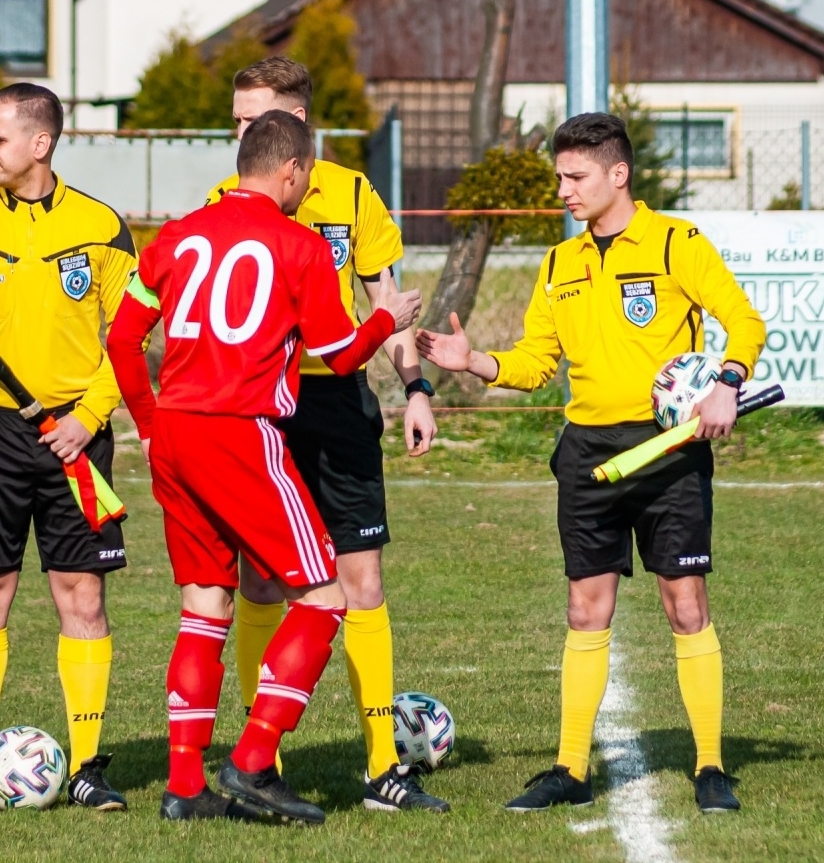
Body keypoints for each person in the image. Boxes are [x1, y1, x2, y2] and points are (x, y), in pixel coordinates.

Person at [417, 112, 766, 814]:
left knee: (685, 602)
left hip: (668, 450)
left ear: (618, 173)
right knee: (585, 607)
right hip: (587, 453)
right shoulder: (560, 263)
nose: (564, 190)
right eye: (559, 177)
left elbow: (745, 320)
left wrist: (728, 379)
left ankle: (709, 766)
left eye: (575, 177)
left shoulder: (676, 242)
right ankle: (569, 768)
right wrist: (475, 361)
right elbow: (537, 362)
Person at [106, 110, 425, 825]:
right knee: (324, 596)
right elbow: (340, 355)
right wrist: (388, 317)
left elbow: (123, 339)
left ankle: (185, 783)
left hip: (178, 433)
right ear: (291, 170)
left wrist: (151, 425)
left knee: (205, 605)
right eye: (304, 175)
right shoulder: (300, 245)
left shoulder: (178, 235)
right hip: (241, 431)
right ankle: (253, 759)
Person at [206, 57, 446, 812]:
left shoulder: (350, 193)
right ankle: (259, 759)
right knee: (261, 581)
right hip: (260, 410)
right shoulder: (227, 200)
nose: (241, 133)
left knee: (362, 583)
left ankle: (384, 768)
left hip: (339, 403)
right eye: (236, 119)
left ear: (297, 123)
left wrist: (415, 388)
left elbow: (387, 301)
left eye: (254, 118)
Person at [0, 83, 137, 813]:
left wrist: (92, 413)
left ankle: (87, 766)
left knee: (82, 593)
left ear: (39, 144)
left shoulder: (101, 225)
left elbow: (132, 338)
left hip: (77, 436)